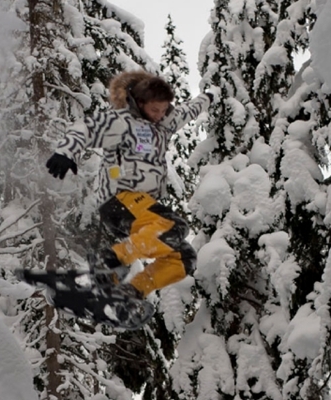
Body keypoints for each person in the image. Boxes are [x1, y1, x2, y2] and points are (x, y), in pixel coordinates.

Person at [45, 70, 210, 304]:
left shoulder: (164, 124)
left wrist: (211, 94)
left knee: (183, 257)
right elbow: (87, 128)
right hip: (119, 198)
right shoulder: (122, 122)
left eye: (164, 110)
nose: (159, 115)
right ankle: (110, 259)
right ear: (139, 102)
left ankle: (130, 292)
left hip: (141, 209)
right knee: (175, 225)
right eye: (154, 110)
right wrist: (66, 151)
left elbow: (190, 110)